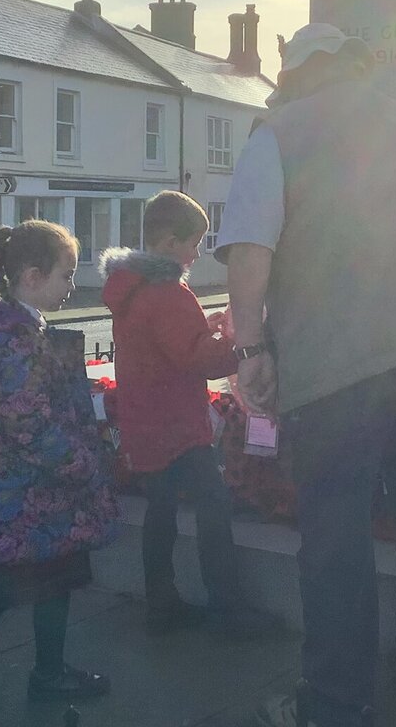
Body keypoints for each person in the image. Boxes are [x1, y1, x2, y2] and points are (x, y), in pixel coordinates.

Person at [217, 24, 396, 727]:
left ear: (299, 74)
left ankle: (337, 700)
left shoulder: (279, 133)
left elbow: (250, 248)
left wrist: (250, 353)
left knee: (336, 530)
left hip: (342, 362)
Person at [0, 220, 120, 703]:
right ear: (33, 276)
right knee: (36, 577)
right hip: (25, 488)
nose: (72, 285)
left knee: (28, 578)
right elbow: (31, 425)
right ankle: (34, 671)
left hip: (10, 485)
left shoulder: (7, 330)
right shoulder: (16, 341)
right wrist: (83, 461)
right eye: (66, 274)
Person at [99, 190, 282, 638]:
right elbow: (196, 358)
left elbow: (168, 344)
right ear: (167, 243)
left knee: (160, 511)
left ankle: (161, 603)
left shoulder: (132, 287)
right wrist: (241, 347)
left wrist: (207, 327)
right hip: (178, 424)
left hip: (145, 420)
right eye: (193, 243)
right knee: (214, 504)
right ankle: (227, 605)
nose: (197, 253)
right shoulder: (167, 292)